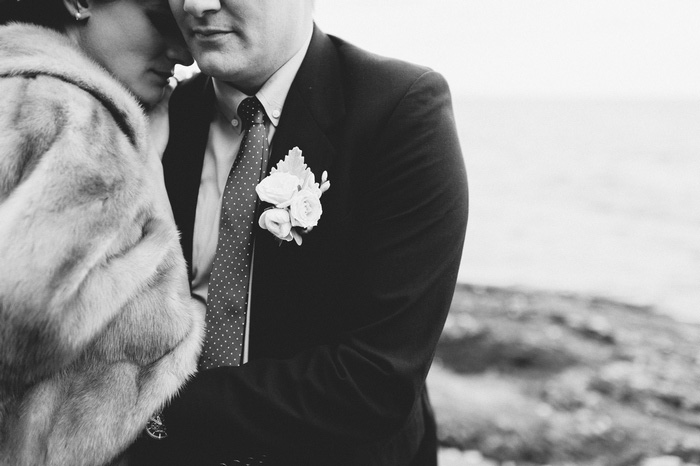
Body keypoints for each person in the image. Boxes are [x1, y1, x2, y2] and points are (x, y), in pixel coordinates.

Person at [128, 0, 469, 464]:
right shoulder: (156, 120)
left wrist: (146, 411)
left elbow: (374, 379)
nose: (196, 4)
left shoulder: (401, 110)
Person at [0, 0, 205, 464]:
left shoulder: (18, 85)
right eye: (160, 19)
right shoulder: (85, 122)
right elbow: (22, 325)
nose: (185, 51)